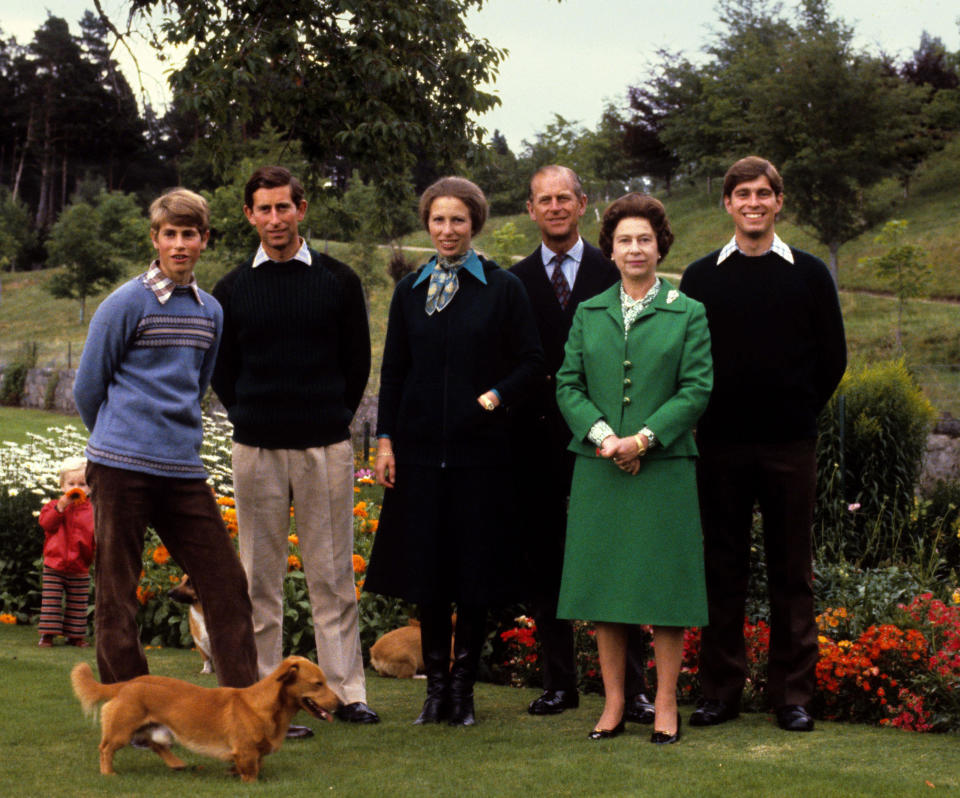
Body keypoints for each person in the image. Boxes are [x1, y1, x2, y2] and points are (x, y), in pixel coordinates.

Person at [364, 176, 544, 726]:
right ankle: (434, 689)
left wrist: (490, 399)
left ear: (475, 225)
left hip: (481, 457)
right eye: (438, 220)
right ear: (427, 224)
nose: (447, 230)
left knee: (473, 575)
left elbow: (533, 363)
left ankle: (463, 690)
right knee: (430, 574)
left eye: (458, 220)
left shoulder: (502, 287)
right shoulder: (409, 290)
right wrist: (385, 440)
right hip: (418, 456)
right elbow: (393, 372)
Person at [680, 156, 847, 733]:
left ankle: (792, 696)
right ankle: (720, 693)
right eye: (742, 193)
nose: (753, 202)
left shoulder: (809, 274)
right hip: (719, 445)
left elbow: (833, 358)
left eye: (763, 193)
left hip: (788, 445)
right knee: (721, 569)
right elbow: (688, 362)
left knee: (791, 572)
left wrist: (796, 412)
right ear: (726, 203)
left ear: (779, 201)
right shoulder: (701, 278)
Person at [211, 166, 377, 729]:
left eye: (285, 207)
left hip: (323, 446)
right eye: (264, 209)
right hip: (256, 447)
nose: (275, 219)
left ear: (302, 209)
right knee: (260, 578)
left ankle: (347, 692)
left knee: (331, 575)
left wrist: (330, 416)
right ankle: (267, 698)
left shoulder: (338, 280)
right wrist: (252, 415)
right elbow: (223, 371)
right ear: (249, 215)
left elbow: (357, 364)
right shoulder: (232, 289)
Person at [74, 188, 258, 688]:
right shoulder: (125, 303)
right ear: (155, 239)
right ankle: (132, 711)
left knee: (225, 583)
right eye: (170, 234)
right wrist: (117, 442)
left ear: (204, 240)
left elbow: (196, 387)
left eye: (190, 235)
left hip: (182, 470)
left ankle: (244, 705)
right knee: (117, 592)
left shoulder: (210, 312)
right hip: (120, 467)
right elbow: (88, 386)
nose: (180, 244)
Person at [555, 193, 712, 743]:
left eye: (644, 238)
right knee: (606, 590)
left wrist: (642, 440)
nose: (635, 248)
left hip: (663, 468)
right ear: (612, 249)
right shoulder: (589, 310)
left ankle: (666, 703)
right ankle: (615, 703)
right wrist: (605, 439)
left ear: (659, 244)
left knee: (666, 591)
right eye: (625, 239)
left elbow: (697, 389)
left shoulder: (688, 311)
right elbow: (567, 384)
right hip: (599, 468)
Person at [509, 165, 655, 723]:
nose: (554, 207)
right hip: (537, 440)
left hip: (609, 441)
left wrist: (627, 437)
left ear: (582, 204)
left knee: (620, 560)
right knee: (546, 563)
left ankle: (635, 689)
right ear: (530, 209)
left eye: (563, 198)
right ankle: (559, 683)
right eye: (543, 199)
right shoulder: (515, 280)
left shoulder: (613, 269)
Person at [36, 456, 95, 648]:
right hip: (55, 564)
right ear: (62, 486)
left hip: (80, 565)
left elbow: (97, 535)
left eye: (82, 484)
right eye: (71, 483)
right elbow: (46, 523)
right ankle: (47, 635)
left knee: (78, 603)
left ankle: (75, 635)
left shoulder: (93, 510)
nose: (76, 488)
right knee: (51, 601)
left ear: (91, 487)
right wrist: (60, 506)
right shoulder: (54, 506)